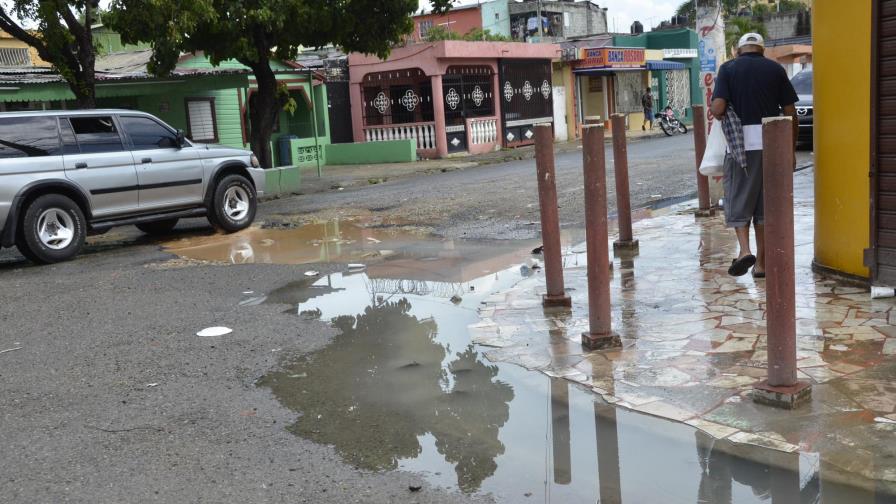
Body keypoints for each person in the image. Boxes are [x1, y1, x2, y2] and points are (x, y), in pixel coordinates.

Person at [710, 32, 799, 278]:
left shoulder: (728, 69)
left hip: (741, 147)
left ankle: (744, 251)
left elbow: (718, 108)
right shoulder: (776, 70)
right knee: (763, 206)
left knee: (738, 199)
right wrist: (789, 151)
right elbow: (791, 112)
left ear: (739, 50)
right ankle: (761, 264)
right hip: (772, 145)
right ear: (761, 49)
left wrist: (716, 107)